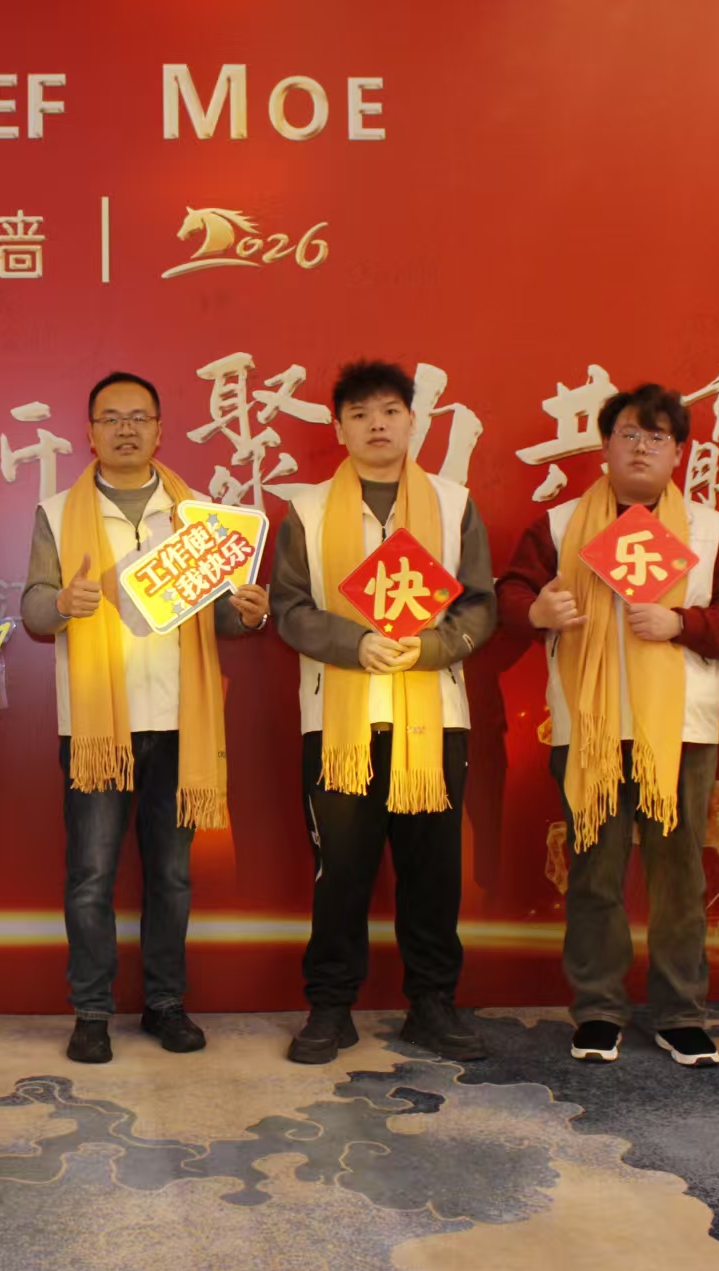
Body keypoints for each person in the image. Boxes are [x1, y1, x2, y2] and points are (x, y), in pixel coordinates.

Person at [496, 384, 719, 1066]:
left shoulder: (708, 528)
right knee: (594, 871)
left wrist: (681, 622)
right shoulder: (559, 526)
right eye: (629, 435)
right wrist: (537, 611)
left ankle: (680, 1013)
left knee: (679, 877)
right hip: (589, 726)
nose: (642, 448)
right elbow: (511, 593)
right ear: (605, 446)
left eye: (657, 437)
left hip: (680, 731)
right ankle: (598, 1009)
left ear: (679, 453)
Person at [22, 371, 271, 1065]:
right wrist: (61, 604)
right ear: (90, 432)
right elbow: (34, 608)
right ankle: (91, 1011)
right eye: (111, 417)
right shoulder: (56, 513)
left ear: (160, 429)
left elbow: (225, 615)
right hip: (94, 729)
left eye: (139, 417)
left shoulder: (198, 517)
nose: (125, 429)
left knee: (171, 875)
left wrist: (250, 614)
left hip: (177, 719)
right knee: (90, 876)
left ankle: (165, 1003)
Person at [269, 361, 498, 1064]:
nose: (377, 425)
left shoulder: (453, 504)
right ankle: (329, 1006)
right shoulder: (307, 511)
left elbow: (479, 604)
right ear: (338, 428)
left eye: (390, 411)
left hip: (434, 718)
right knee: (338, 871)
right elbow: (288, 609)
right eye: (361, 413)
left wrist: (431, 647)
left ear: (411, 421)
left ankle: (432, 1003)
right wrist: (355, 643)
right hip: (338, 721)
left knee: (432, 870)